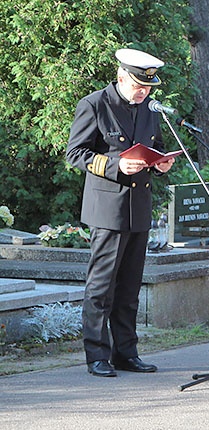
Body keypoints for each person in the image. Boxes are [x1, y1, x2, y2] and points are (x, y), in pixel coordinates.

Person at [65, 48, 175, 377]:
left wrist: (160, 165)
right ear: (122, 77)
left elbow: (150, 149)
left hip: (138, 208)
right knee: (101, 287)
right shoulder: (95, 104)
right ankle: (97, 355)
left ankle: (126, 352)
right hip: (108, 209)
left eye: (149, 88)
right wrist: (116, 165)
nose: (144, 93)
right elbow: (75, 153)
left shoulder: (150, 110)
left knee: (129, 288)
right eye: (139, 86)